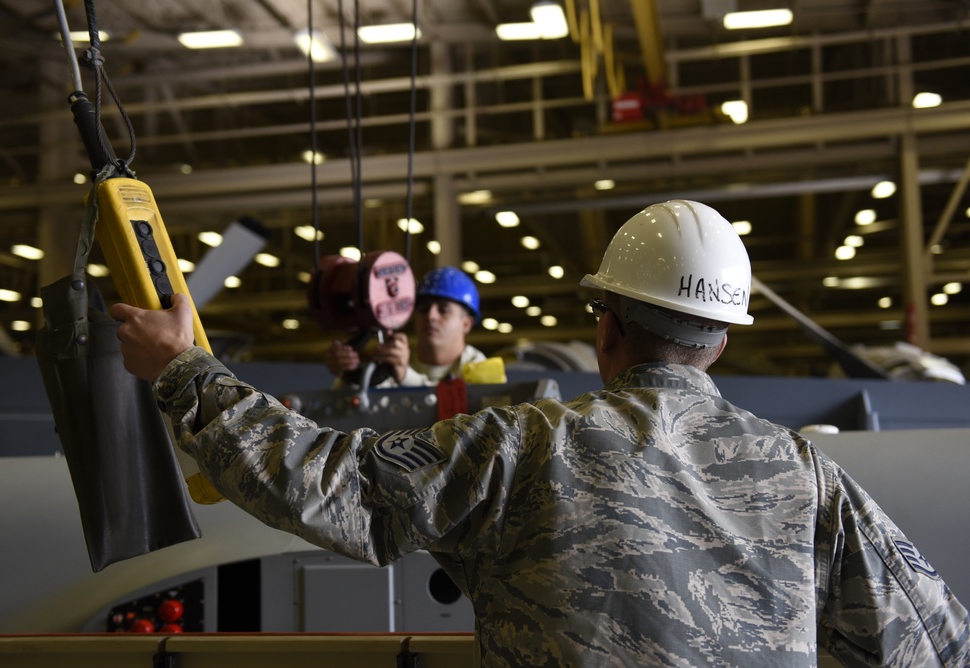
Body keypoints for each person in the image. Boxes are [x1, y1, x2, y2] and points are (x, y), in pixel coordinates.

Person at [110, 199, 969, 667]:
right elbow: (936, 645)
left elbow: (325, 482)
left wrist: (184, 367)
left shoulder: (521, 446)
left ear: (606, 329)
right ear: (723, 338)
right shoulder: (809, 479)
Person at [324, 266, 487, 387]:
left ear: (466, 324)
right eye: (423, 309)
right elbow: (353, 408)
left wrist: (406, 377)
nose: (430, 316)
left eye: (443, 310)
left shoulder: (480, 368)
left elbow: (462, 418)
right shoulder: (396, 359)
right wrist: (347, 373)